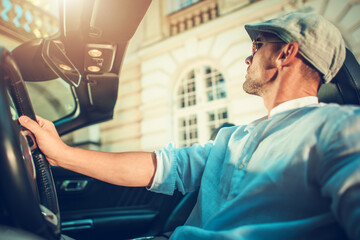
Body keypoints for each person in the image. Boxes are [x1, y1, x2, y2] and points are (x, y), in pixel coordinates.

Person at [19, 12, 360, 240]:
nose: (247, 57)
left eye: (257, 46)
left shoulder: (339, 129)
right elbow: (161, 166)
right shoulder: (233, 137)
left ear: (286, 53)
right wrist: (61, 154)